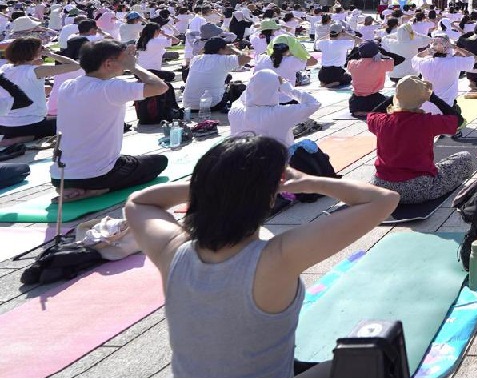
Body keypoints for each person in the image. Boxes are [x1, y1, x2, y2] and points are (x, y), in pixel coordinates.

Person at [125, 134, 398, 378]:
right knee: (378, 353)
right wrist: (310, 181)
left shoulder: (171, 250)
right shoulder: (276, 258)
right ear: (269, 198)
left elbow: (139, 201)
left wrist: (216, 186)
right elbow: (384, 200)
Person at [53, 41, 170, 201]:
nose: (126, 64)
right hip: (97, 175)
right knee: (159, 162)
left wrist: (124, 57)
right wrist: (134, 66)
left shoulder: (68, 86)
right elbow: (160, 87)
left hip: (60, 176)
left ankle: (78, 188)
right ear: (108, 63)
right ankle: (96, 190)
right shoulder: (111, 88)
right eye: (123, 61)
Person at [365, 78, 477, 203]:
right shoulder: (427, 121)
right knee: (464, 158)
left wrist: (400, 94)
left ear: (396, 97)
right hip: (419, 188)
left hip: (382, 187)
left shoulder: (382, 121)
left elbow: (371, 115)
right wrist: (433, 97)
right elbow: (458, 120)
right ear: (422, 99)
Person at [0, 37, 80, 146]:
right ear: (33, 52)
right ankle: (22, 139)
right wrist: (51, 54)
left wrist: (33, 62)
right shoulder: (36, 71)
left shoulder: (5, 68)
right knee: (69, 120)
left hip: (4, 125)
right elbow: (75, 66)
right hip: (29, 126)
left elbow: (21, 74)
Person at [229, 69, 322, 149]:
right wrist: (287, 87)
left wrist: (255, 85)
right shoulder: (280, 113)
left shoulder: (235, 111)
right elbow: (313, 104)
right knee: (309, 146)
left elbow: (243, 96)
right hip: (278, 164)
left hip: (243, 163)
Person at [184, 38, 251, 113]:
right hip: (212, 105)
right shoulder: (224, 60)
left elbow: (201, 53)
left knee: (227, 78)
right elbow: (247, 58)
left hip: (188, 105)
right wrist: (233, 49)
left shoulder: (196, 59)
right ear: (221, 49)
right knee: (238, 87)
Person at [414, 36, 476, 106]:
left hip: (426, 105)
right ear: (449, 48)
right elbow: (473, 58)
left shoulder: (424, 62)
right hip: (447, 106)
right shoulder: (455, 61)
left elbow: (416, 58)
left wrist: (427, 51)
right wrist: (457, 48)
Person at [346, 40, 395, 117]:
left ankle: (361, 112)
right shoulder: (381, 64)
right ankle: (373, 112)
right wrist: (383, 55)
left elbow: (350, 59)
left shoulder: (352, 63)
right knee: (392, 102)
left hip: (355, 101)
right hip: (374, 99)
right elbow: (395, 60)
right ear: (376, 53)